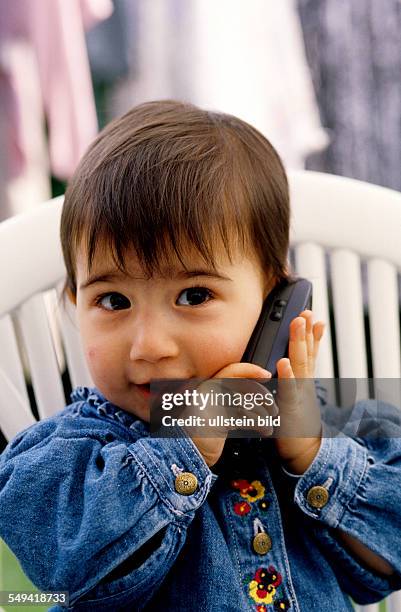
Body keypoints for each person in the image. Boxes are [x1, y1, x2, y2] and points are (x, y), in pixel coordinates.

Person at [0, 100, 400, 611]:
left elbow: (390, 560)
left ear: (275, 302)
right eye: (113, 301)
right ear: (76, 306)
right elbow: (66, 569)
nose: (150, 347)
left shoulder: (334, 428)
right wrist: (184, 447)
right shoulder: (67, 458)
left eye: (194, 296)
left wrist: (313, 454)